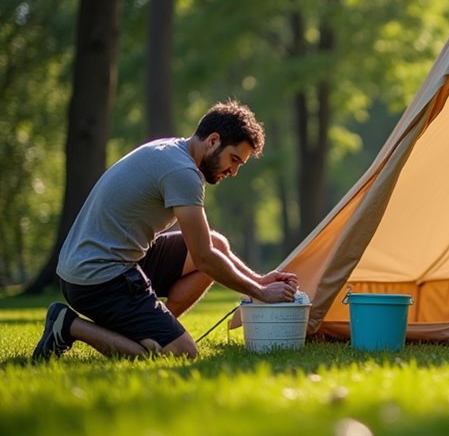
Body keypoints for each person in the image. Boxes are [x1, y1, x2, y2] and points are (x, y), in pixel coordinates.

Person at [32, 100, 299, 361]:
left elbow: (207, 249)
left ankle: (151, 329)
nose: (233, 171)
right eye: (234, 159)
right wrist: (259, 293)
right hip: (97, 278)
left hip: (104, 263)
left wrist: (260, 280)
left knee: (216, 243)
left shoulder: (173, 150)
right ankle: (68, 325)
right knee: (183, 352)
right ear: (214, 140)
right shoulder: (182, 172)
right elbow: (203, 257)